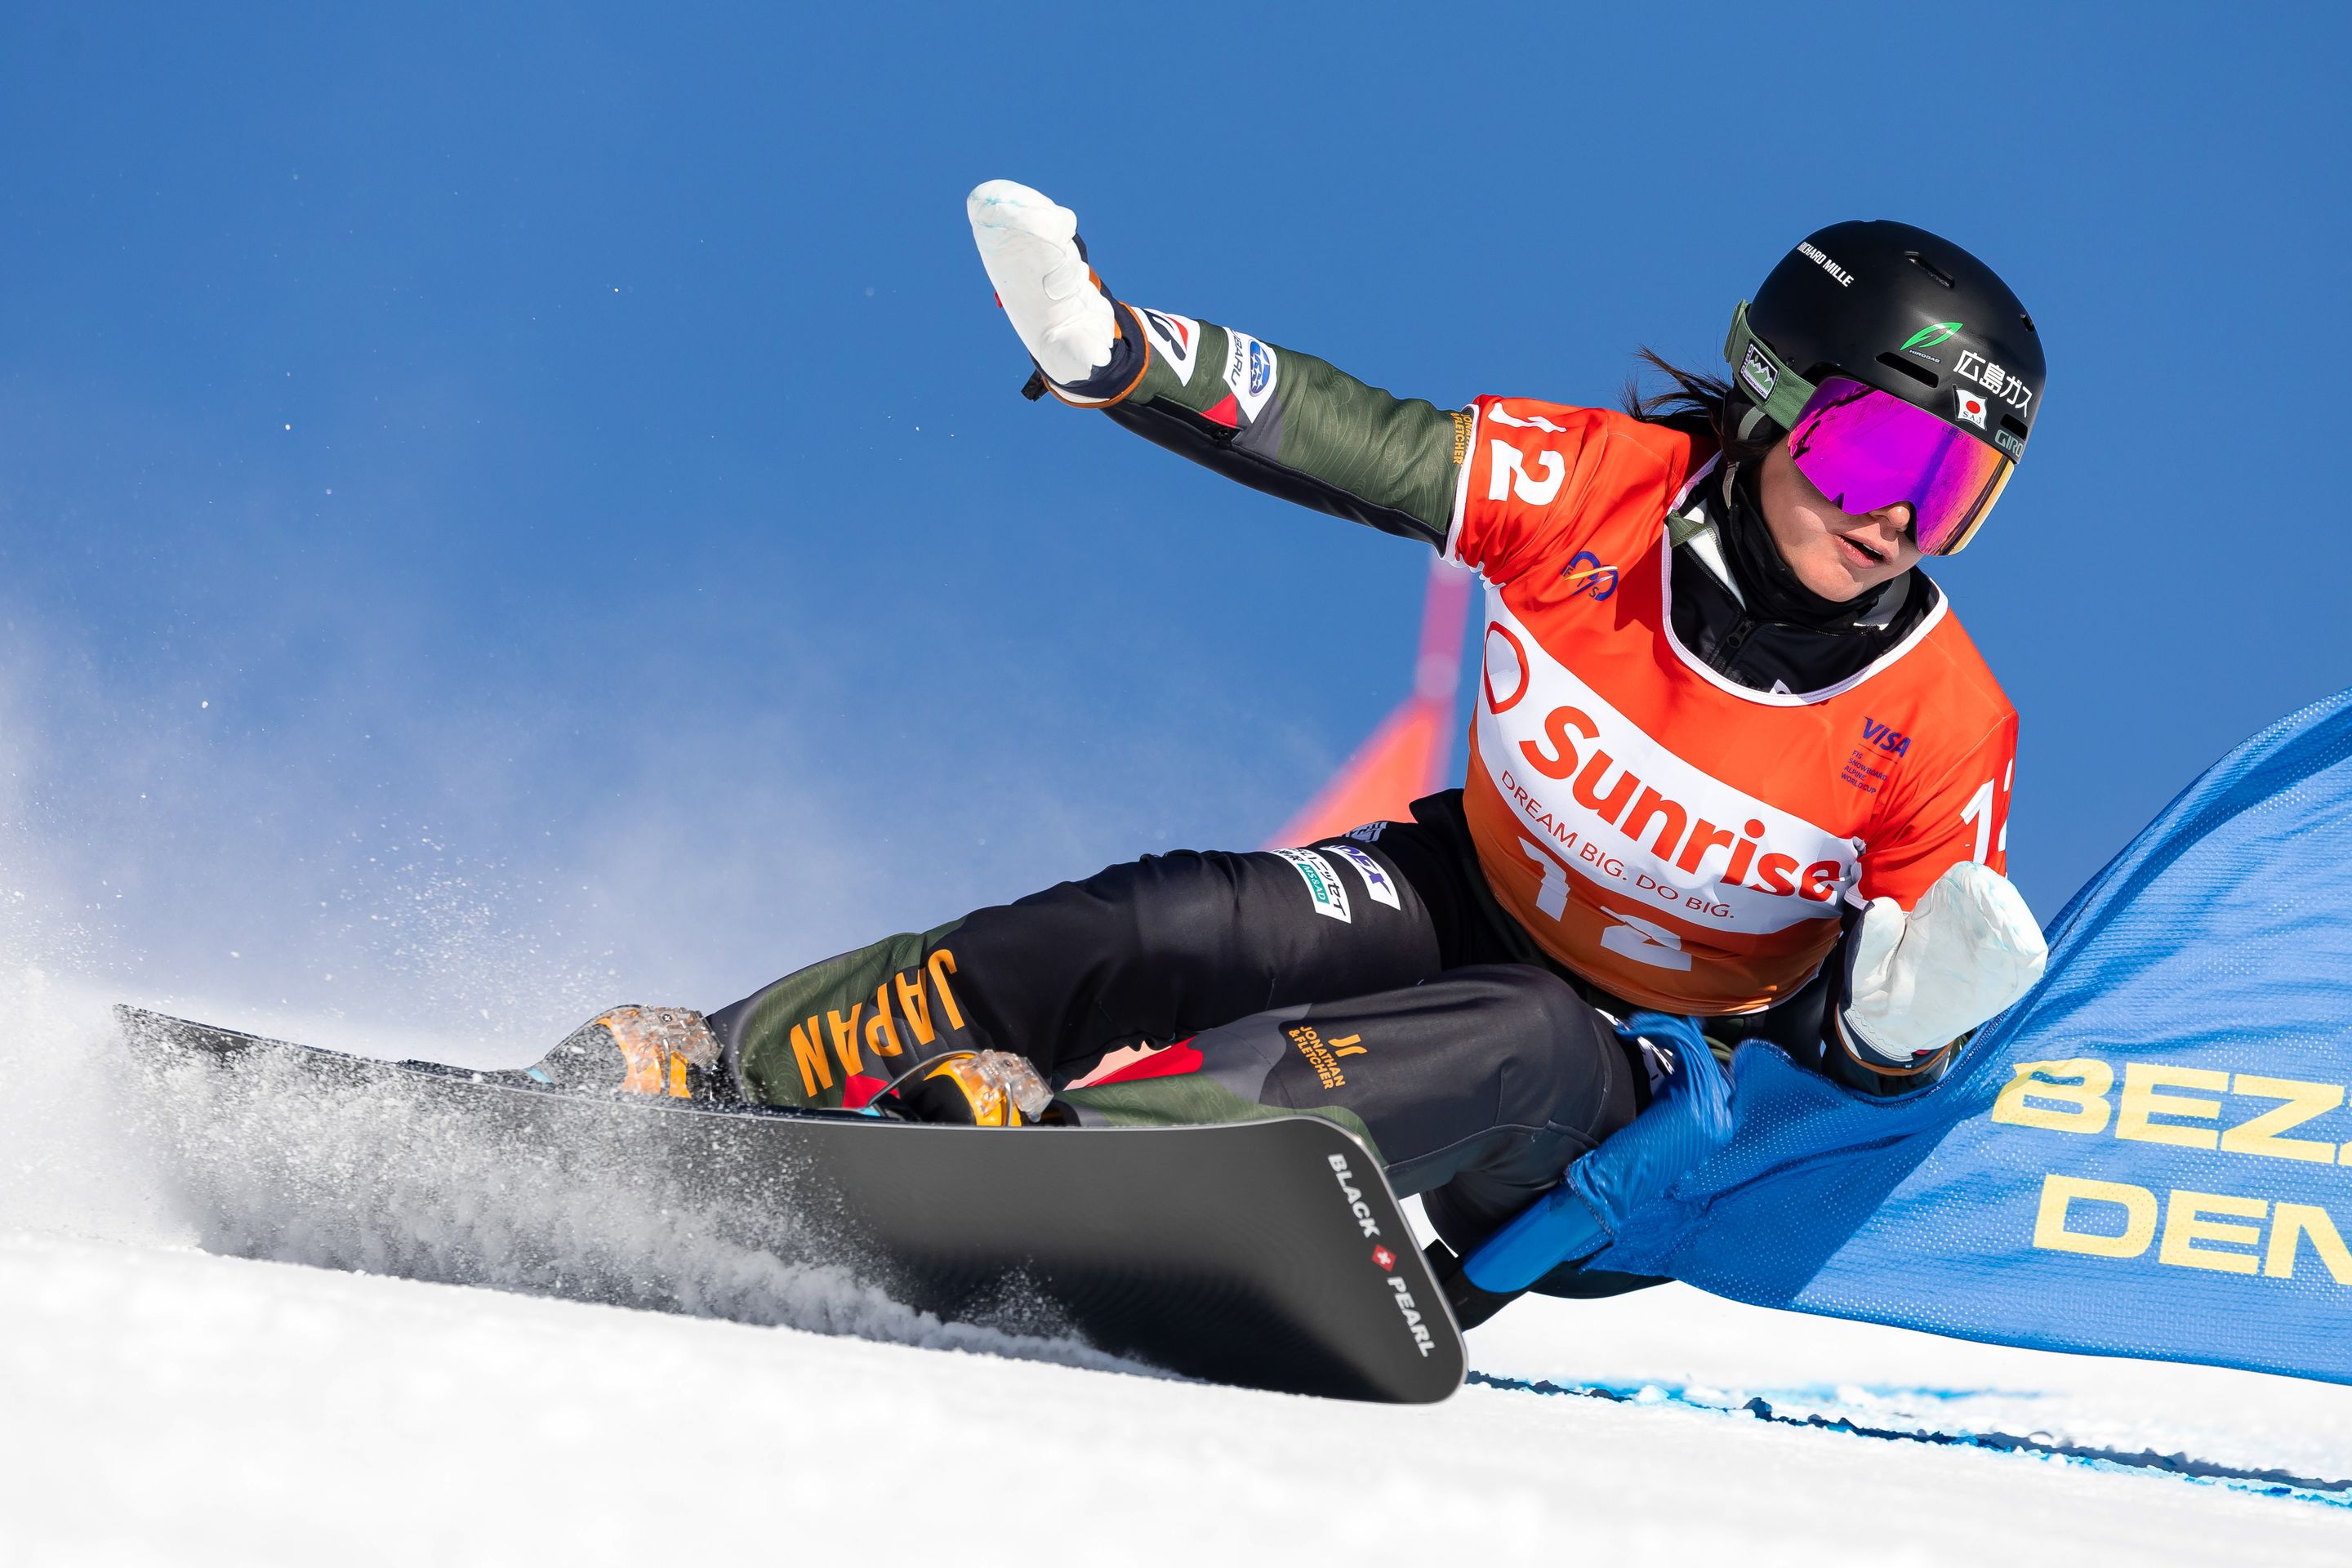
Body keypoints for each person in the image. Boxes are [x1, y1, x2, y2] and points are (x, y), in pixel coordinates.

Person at [535, 180, 2049, 1298]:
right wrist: (1116, 352)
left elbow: (1852, 1084)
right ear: (1775, 405)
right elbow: (1352, 437)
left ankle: (1079, 1160)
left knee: (1522, 1039)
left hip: (1640, 1110)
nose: (1897, 518)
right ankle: (745, 1071)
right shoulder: (1603, 489)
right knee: (1186, 914)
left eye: (1957, 490)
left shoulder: (1946, 724)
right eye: (1880, 448)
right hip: (1470, 901)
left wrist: (1891, 1040)